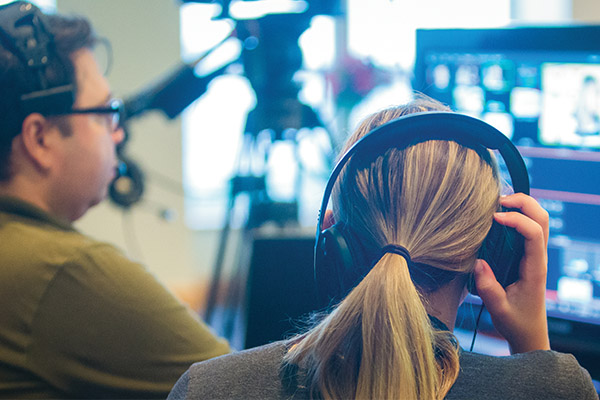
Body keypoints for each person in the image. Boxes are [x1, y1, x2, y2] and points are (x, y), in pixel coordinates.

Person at [168, 97, 598, 400]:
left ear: (332, 241)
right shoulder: (555, 390)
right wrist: (536, 354)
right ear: (492, 252)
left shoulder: (207, 389)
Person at [0, 2, 229, 398]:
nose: (118, 134)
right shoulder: (64, 272)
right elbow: (251, 388)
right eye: (106, 112)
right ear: (40, 139)